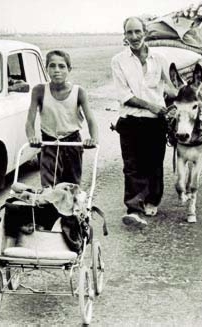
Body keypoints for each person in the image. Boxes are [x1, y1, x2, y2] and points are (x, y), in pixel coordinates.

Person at [111, 16, 178, 228]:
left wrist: (184, 99)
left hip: (155, 123)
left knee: (154, 163)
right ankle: (133, 208)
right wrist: (151, 105)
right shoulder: (118, 61)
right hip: (130, 121)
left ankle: (151, 200)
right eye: (129, 33)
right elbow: (125, 95)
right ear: (125, 36)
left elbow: (171, 86)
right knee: (131, 165)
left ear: (145, 33)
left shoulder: (159, 59)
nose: (134, 37)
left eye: (137, 32)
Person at [25, 50, 99, 187]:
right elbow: (30, 120)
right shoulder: (39, 91)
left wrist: (93, 139)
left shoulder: (79, 92)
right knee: (48, 187)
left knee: (72, 187)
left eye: (61, 66)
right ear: (46, 69)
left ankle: (72, 207)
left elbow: (91, 119)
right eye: (52, 66)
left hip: (72, 143)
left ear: (69, 69)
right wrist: (31, 137)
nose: (56, 70)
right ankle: (49, 208)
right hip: (49, 143)